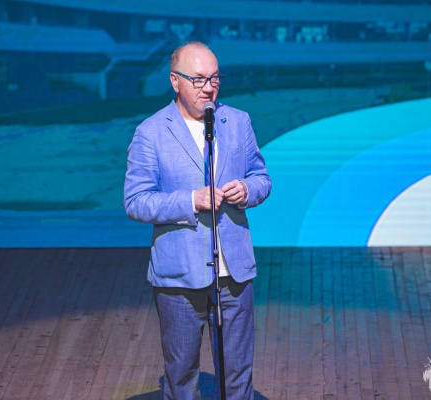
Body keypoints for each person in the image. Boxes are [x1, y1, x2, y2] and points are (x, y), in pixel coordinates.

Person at [124, 41, 271, 399]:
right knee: (182, 374)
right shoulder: (151, 132)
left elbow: (261, 177)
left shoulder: (237, 122)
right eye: (199, 79)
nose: (209, 88)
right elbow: (136, 201)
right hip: (179, 276)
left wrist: (247, 190)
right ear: (174, 80)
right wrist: (191, 200)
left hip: (234, 272)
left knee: (238, 372)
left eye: (215, 78)